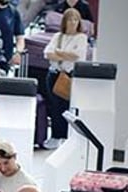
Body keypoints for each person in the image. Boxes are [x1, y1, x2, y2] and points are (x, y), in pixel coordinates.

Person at [43, 8, 88, 149]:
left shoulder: (81, 37)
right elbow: (47, 53)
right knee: (54, 106)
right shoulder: (58, 36)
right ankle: (56, 136)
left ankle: (64, 136)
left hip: (68, 75)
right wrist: (64, 54)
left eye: (75, 19)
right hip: (54, 74)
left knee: (64, 106)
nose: (73, 22)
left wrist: (59, 52)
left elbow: (77, 55)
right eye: (70, 19)